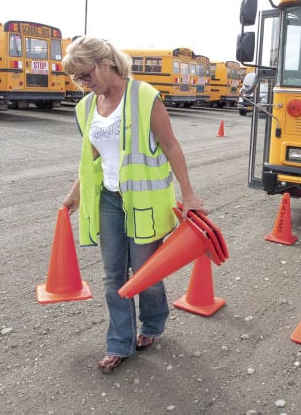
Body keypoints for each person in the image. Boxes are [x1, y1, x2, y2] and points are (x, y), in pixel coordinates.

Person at [61, 36, 206, 374]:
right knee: (114, 277)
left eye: (84, 75)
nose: (82, 84)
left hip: (144, 201)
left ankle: (153, 324)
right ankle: (119, 343)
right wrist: (75, 192)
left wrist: (190, 194)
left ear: (104, 63)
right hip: (109, 200)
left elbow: (171, 145)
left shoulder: (143, 96)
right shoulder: (85, 108)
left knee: (146, 275)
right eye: (77, 79)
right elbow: (93, 159)